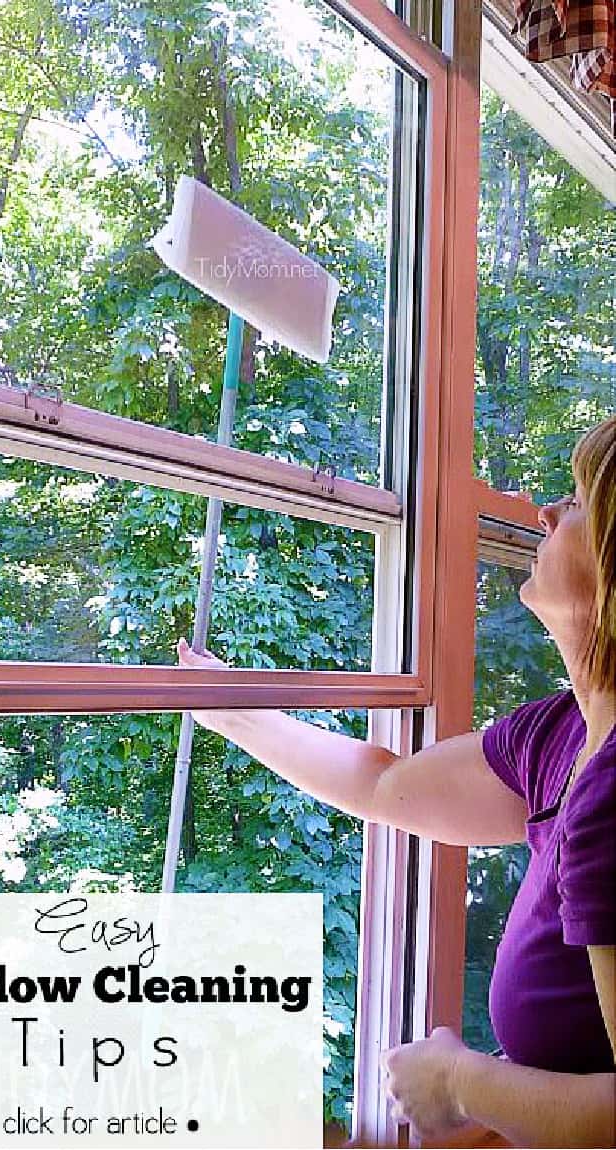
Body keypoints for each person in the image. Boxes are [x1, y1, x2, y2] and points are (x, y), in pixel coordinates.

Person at [177, 414, 616, 1148]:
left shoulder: (610, 791)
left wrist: (459, 1083)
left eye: (575, 500)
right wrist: (236, 712)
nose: (545, 511)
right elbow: (385, 787)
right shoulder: (560, 734)